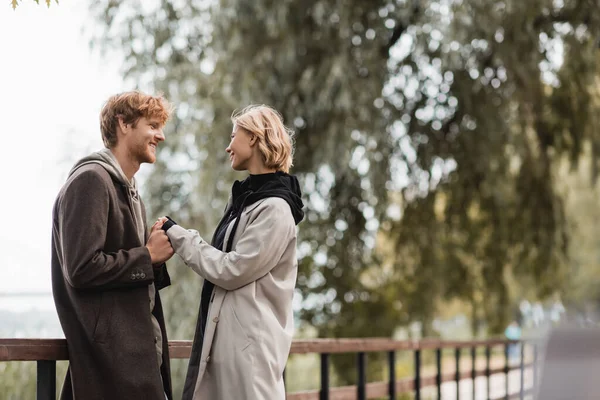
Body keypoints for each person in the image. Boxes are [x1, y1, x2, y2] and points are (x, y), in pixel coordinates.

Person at [157, 105, 304, 399]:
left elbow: (232, 270)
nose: (227, 146)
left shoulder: (275, 209)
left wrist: (180, 237)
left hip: (250, 355)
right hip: (230, 348)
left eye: (234, 135)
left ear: (253, 137)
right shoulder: (248, 201)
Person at [51, 91, 175, 400]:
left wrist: (154, 260)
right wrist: (146, 256)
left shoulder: (131, 192)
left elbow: (126, 274)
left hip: (138, 363)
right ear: (123, 124)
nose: (160, 135)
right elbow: (81, 269)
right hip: (112, 371)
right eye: (152, 125)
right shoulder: (90, 180)